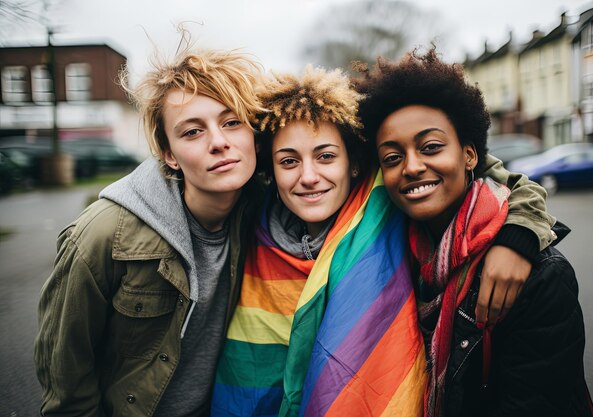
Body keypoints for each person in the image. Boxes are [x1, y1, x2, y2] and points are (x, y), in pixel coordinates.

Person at [211, 65, 558, 417]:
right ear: (270, 171)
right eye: (288, 161)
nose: (309, 177)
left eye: (326, 156)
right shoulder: (247, 221)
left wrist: (520, 233)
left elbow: (490, 174)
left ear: (356, 164)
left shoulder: (388, 207)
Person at [356, 48, 593, 417]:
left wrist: (519, 238)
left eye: (431, 147)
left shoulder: (539, 276)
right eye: (392, 157)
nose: (412, 166)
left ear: (470, 156)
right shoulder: (387, 257)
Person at [34, 48, 265, 416]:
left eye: (232, 122)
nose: (219, 141)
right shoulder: (100, 237)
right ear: (169, 154)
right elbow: (68, 387)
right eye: (192, 131)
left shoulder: (261, 214)